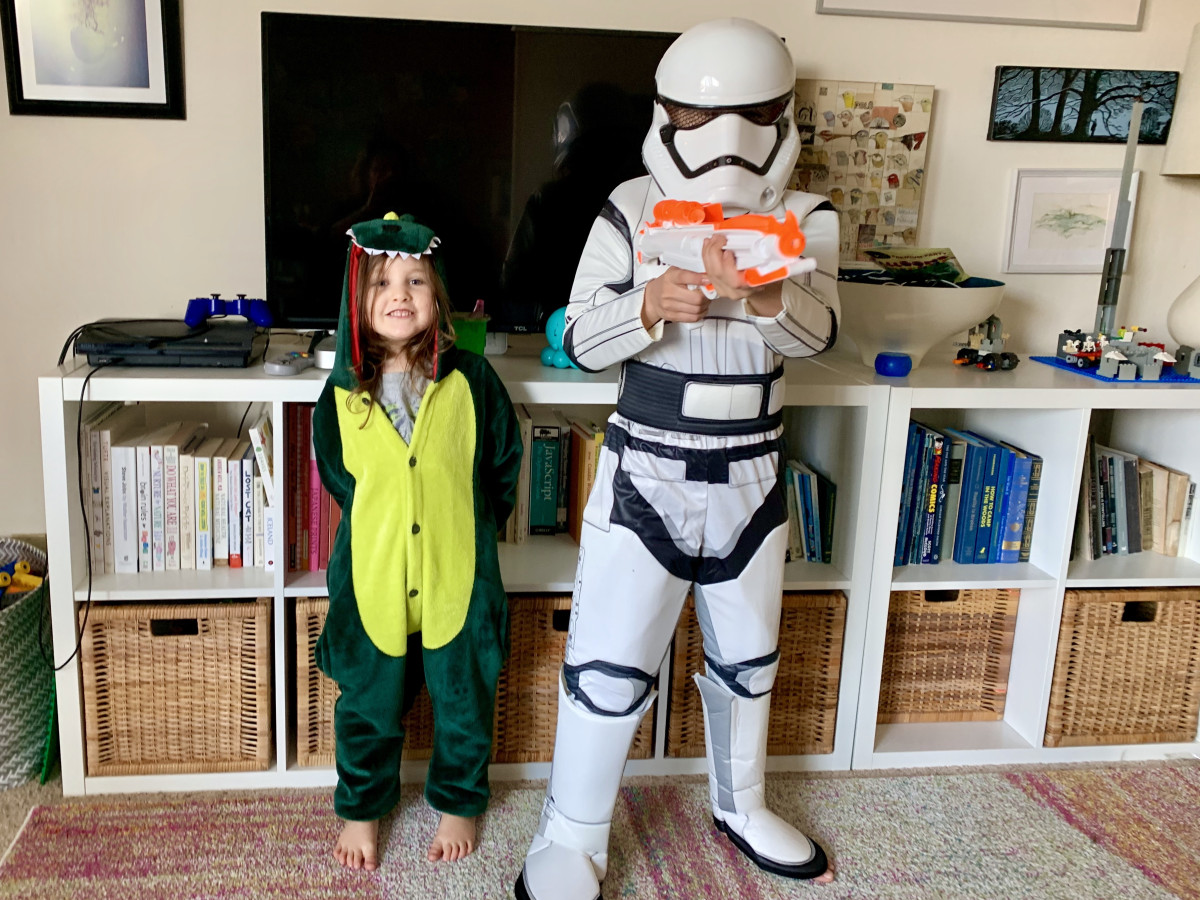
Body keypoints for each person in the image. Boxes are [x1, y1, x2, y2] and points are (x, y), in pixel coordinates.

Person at [516, 19, 840, 900]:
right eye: (699, 117)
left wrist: (770, 296)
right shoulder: (626, 207)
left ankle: (742, 805)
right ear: (667, 115)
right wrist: (650, 304)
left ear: (783, 117)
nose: (725, 140)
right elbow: (581, 340)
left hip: (753, 473)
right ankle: (572, 831)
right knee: (609, 660)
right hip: (648, 467)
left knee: (750, 657)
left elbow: (820, 336)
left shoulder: (808, 217)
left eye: (753, 116)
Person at [312, 212, 523, 871]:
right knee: (367, 703)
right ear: (358, 299)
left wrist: (472, 530)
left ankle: (460, 801)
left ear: (439, 295)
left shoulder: (473, 381)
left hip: (456, 571)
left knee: (464, 698)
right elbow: (340, 478)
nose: (399, 295)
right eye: (382, 283)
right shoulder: (340, 393)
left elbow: (502, 464)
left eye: (415, 281)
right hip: (373, 576)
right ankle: (361, 808)